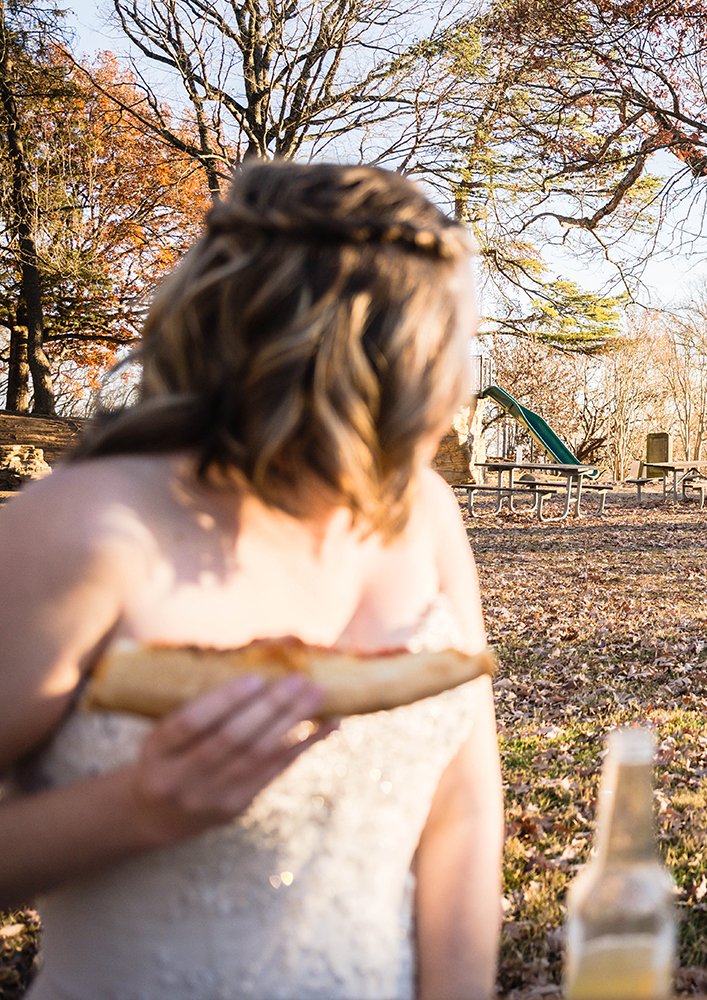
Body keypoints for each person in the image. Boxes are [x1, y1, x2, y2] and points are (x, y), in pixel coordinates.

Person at [0, 161, 502, 999]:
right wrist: (143, 806)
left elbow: (463, 810)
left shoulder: (426, 513)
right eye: (451, 350)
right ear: (364, 361)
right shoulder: (80, 531)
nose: (460, 391)